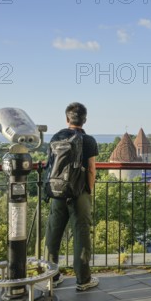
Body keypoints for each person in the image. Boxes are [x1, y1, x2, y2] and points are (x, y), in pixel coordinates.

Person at [44, 102, 99, 290]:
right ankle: (83, 280)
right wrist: (89, 190)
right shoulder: (89, 140)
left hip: (58, 192)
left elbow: (50, 165)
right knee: (81, 234)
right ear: (84, 120)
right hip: (79, 193)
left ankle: (51, 276)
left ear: (67, 119)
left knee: (53, 233)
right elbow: (91, 170)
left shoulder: (56, 137)